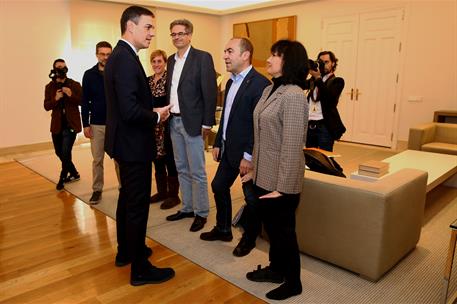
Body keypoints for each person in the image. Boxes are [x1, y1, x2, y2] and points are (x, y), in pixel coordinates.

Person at [104, 5, 174, 286]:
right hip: (133, 145)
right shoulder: (124, 59)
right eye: (148, 27)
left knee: (127, 199)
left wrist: (154, 109)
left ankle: (126, 251)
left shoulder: (122, 56)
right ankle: (140, 269)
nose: (152, 33)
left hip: (126, 143)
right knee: (136, 206)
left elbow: (129, 105)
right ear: (130, 27)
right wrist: (158, 114)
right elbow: (131, 110)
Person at [243, 40, 309, 301]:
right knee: (272, 230)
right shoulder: (269, 90)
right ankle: (276, 270)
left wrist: (281, 189)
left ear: (289, 61)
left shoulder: (293, 96)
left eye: (275, 55)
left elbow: (292, 147)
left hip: (281, 183)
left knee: (284, 234)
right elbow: (263, 138)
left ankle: (293, 283)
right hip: (264, 175)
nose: (268, 59)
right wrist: (254, 172)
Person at [199, 38, 270, 257]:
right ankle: (223, 229)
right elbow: (227, 117)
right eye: (225, 51)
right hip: (229, 148)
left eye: (230, 51)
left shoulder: (260, 85)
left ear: (245, 54)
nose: (225, 56)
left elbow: (258, 125)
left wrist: (249, 155)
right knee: (219, 185)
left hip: (247, 154)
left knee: (251, 199)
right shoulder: (230, 82)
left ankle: (249, 239)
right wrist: (218, 141)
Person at [164, 19, 217, 233]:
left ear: (190, 35)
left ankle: (201, 212)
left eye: (181, 33)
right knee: (181, 168)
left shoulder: (202, 58)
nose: (177, 37)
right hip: (174, 121)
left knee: (197, 170)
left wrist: (207, 122)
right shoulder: (170, 60)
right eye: (173, 34)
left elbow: (209, 92)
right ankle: (186, 207)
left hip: (193, 122)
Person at [81, 41, 119, 204]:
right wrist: (86, 124)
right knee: (97, 160)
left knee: (120, 159)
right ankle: (97, 190)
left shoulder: (117, 73)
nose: (105, 57)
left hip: (116, 124)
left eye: (108, 54)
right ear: (97, 55)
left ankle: (124, 187)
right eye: (102, 54)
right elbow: (84, 101)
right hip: (96, 124)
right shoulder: (89, 75)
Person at [147, 50, 181, 210]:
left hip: (168, 124)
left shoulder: (170, 80)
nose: (156, 65)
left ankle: (173, 195)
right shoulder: (148, 81)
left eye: (159, 61)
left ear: (165, 62)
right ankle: (161, 192)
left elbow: (174, 101)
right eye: (154, 61)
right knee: (156, 158)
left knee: (170, 159)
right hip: (152, 125)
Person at [44, 59, 82, 191]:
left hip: (71, 124)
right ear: (54, 69)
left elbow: (82, 101)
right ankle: (74, 173)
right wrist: (55, 99)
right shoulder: (49, 87)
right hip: (57, 125)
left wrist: (71, 95)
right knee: (59, 152)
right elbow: (46, 106)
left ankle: (62, 177)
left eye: (64, 67)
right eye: (59, 67)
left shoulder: (74, 84)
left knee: (66, 152)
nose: (61, 69)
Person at [306, 50, 345, 152]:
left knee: (324, 159)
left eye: (326, 62)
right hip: (310, 125)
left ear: (333, 63)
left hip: (325, 126)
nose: (324, 65)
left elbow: (329, 99)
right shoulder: (313, 80)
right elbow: (299, 84)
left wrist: (318, 78)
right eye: (321, 62)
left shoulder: (337, 81)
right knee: (310, 157)